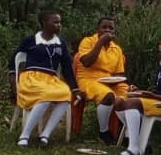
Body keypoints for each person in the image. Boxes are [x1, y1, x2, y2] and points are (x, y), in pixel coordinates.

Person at [9, 11, 82, 147]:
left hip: (51, 79)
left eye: (60, 22)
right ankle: (25, 135)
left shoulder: (61, 43)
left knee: (66, 95)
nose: (59, 25)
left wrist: (75, 88)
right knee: (45, 95)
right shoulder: (30, 40)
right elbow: (14, 59)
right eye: (55, 22)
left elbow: (66, 67)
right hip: (31, 77)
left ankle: (45, 135)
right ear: (44, 23)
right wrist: (13, 80)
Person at [112, 36, 161, 155]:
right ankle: (139, 139)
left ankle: (134, 148)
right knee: (119, 101)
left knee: (131, 103)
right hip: (156, 99)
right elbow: (159, 88)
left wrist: (151, 95)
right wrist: (140, 90)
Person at [76, 17, 129, 144]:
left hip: (109, 81)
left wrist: (119, 82)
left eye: (111, 28)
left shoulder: (116, 49)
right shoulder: (87, 41)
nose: (107, 30)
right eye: (104, 27)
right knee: (108, 95)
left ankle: (129, 135)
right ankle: (103, 132)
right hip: (88, 79)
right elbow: (86, 62)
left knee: (131, 97)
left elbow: (119, 74)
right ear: (97, 29)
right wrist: (100, 43)